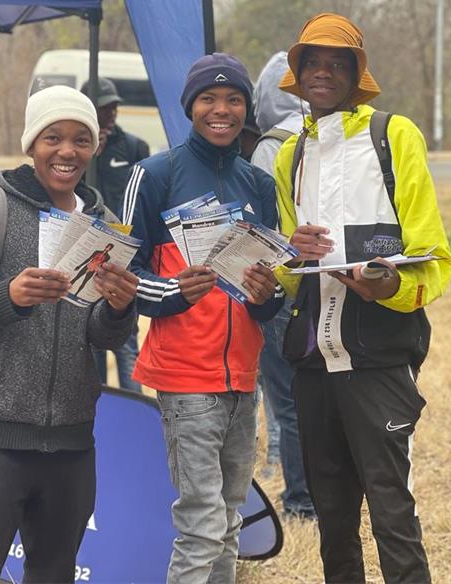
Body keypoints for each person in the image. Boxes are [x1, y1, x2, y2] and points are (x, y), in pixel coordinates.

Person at [273, 14, 451, 583]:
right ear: (298, 73)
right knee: (331, 517)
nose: (323, 72)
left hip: (378, 358)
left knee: (392, 511)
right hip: (313, 363)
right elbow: (289, 274)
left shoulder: (392, 136)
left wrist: (391, 286)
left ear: (357, 75)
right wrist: (290, 256)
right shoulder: (290, 156)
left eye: (338, 63)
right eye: (312, 61)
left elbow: (434, 256)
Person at [0, 85, 138, 584]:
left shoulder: (105, 227)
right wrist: (9, 296)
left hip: (71, 438)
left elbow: (102, 336)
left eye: (81, 140)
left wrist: (119, 308)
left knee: (53, 573)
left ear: (94, 147)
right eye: (53, 138)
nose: (67, 151)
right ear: (31, 144)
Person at [121, 52, 283, 584]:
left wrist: (265, 294)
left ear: (246, 109)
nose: (221, 110)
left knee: (229, 518)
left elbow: (271, 295)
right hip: (186, 377)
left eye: (234, 99)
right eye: (208, 99)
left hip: (243, 377)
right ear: (189, 107)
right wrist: (175, 291)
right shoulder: (155, 174)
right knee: (203, 522)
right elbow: (122, 276)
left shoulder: (258, 185)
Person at [250, 50, 316, 519]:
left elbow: (263, 228)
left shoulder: (270, 147)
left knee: (289, 402)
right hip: (329, 285)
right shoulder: (329, 137)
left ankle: (300, 501)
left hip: (282, 288)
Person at [80, 77, 149, 393]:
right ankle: (100, 404)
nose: (109, 114)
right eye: (102, 108)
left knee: (126, 341)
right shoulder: (78, 151)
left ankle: (132, 406)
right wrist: (91, 155)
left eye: (113, 107)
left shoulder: (134, 147)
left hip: (122, 252)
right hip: (86, 252)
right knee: (91, 338)